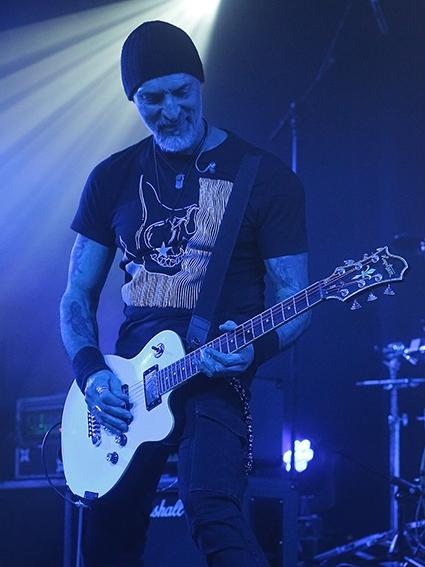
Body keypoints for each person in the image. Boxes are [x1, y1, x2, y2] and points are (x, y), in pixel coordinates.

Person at [60, 20, 310, 567]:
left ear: (201, 84)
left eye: (181, 92)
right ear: (132, 99)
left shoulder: (265, 178)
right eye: (152, 99)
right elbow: (77, 294)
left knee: (212, 509)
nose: (170, 110)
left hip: (214, 376)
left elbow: (295, 298)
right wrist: (91, 373)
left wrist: (255, 349)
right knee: (105, 537)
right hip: (129, 386)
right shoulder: (110, 178)